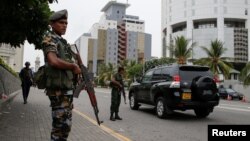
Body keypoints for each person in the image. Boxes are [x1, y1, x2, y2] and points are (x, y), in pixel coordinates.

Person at [42, 9, 81, 141]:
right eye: (61, 22)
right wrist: (73, 66)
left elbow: (70, 66)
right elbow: (53, 61)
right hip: (58, 91)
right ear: (52, 24)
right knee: (59, 128)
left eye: (66, 23)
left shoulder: (63, 43)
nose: (64, 25)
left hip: (66, 91)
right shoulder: (49, 38)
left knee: (65, 127)